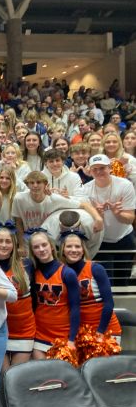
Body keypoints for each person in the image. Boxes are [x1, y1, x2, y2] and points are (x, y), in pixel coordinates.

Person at [82, 154, 136, 285]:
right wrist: (97, 216)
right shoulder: (85, 190)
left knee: (122, 280)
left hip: (124, 237)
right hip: (101, 241)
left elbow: (130, 219)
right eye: (95, 169)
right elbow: (91, 226)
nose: (99, 172)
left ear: (110, 168)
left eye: (102, 168)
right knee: (105, 282)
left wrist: (117, 213)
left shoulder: (125, 185)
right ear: (89, 171)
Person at [0, 221, 35, 370]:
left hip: (23, 330)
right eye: (0, 241)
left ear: (14, 245)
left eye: (8, 241)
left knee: (17, 378)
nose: (4, 245)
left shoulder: (27, 265)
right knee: (2, 378)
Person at [59, 231, 122, 339]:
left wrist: (100, 332)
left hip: (106, 331)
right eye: (69, 246)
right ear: (63, 250)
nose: (74, 250)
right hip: (81, 333)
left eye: (77, 246)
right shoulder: (61, 272)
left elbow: (109, 304)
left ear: (83, 250)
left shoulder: (96, 269)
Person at [29, 231, 81, 360]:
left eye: (44, 245)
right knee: (42, 376)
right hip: (40, 333)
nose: (41, 249)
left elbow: (75, 308)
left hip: (63, 334)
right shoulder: (32, 272)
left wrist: (71, 339)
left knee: (61, 377)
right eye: (36, 247)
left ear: (51, 246)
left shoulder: (67, 273)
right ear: (32, 251)